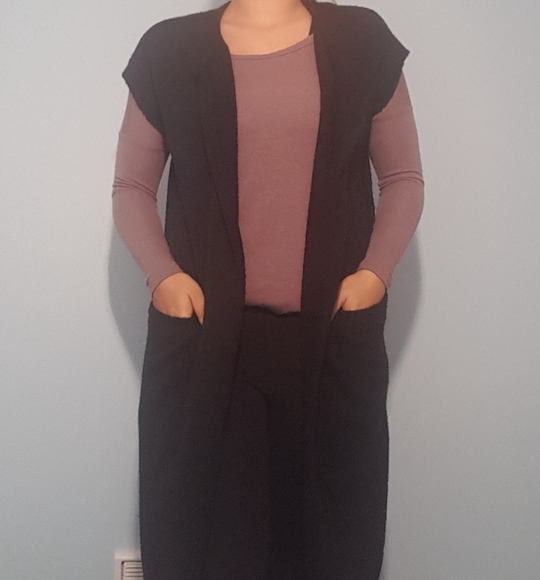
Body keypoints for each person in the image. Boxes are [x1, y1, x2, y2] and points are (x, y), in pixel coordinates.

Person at [112, 0, 424, 579]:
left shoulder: (361, 40)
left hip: (330, 339)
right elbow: (131, 186)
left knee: (331, 538)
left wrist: (374, 275)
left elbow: (403, 178)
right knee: (209, 541)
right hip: (208, 345)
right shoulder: (168, 51)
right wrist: (164, 277)